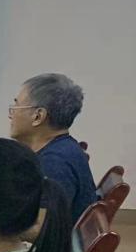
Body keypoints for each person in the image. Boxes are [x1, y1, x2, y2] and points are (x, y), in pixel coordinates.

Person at [9, 73, 96, 226]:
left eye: (16, 106)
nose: (11, 114)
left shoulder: (54, 164)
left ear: (38, 116)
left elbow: (42, 230)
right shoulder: (63, 148)